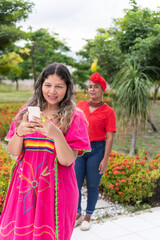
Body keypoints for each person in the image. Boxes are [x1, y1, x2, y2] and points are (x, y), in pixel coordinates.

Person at [0, 63, 91, 240]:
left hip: (57, 191)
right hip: (24, 188)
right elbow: (14, 151)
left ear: (67, 88)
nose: (52, 91)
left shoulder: (75, 116)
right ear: (41, 85)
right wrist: (20, 132)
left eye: (59, 86)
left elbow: (67, 161)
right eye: (48, 85)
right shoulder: (28, 111)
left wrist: (57, 135)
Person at [75, 72, 116, 231]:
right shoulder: (80, 105)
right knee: (75, 183)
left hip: (96, 150)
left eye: (96, 87)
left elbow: (110, 138)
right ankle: (77, 214)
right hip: (79, 150)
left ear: (102, 90)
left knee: (92, 185)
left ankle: (88, 216)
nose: (92, 89)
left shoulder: (108, 111)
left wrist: (105, 159)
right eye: (90, 86)